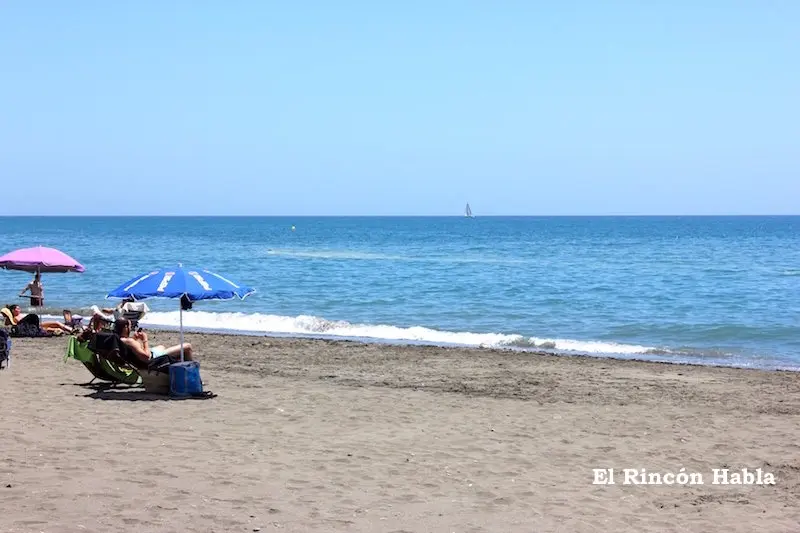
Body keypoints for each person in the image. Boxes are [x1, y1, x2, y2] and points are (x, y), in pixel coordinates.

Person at [114, 318, 194, 368]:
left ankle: (180, 364)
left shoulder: (119, 340)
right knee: (187, 347)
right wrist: (145, 340)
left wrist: (135, 338)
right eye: (130, 326)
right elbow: (146, 357)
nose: (131, 328)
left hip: (152, 355)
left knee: (161, 347)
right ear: (125, 327)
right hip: (153, 360)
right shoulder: (129, 341)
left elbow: (132, 349)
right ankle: (192, 374)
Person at [3, 304, 72, 334]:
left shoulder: (20, 315)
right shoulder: (15, 318)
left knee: (56, 323)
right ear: (13, 310)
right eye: (17, 308)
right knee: (56, 326)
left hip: (37, 325)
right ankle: (70, 330)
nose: (19, 309)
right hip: (34, 327)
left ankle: (70, 330)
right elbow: (9, 323)